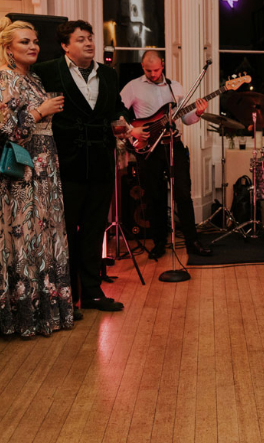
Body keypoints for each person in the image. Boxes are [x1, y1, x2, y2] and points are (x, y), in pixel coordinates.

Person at [33, 20, 132, 313]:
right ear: (65, 45)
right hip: (65, 163)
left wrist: (122, 121)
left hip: (101, 161)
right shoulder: (47, 71)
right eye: (81, 39)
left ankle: (91, 292)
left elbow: (116, 107)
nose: (89, 43)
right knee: (64, 232)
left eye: (90, 38)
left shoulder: (109, 74)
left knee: (93, 231)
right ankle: (67, 296)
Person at [0, 17, 74, 337]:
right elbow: (1, 128)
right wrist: (41, 111)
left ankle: (48, 310)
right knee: (24, 238)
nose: (33, 46)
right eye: (25, 42)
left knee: (47, 236)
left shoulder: (35, 80)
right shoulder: (0, 80)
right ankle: (23, 315)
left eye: (35, 41)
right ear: (8, 48)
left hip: (46, 169)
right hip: (20, 174)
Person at [120, 50, 212, 258]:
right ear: (142, 67)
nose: (153, 74)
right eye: (148, 70)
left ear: (162, 65)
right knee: (154, 196)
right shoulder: (133, 87)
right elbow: (118, 112)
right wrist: (132, 130)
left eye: (156, 70)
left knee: (183, 194)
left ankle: (192, 242)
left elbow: (185, 119)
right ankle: (159, 243)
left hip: (174, 144)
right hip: (148, 148)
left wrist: (197, 112)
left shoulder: (175, 87)